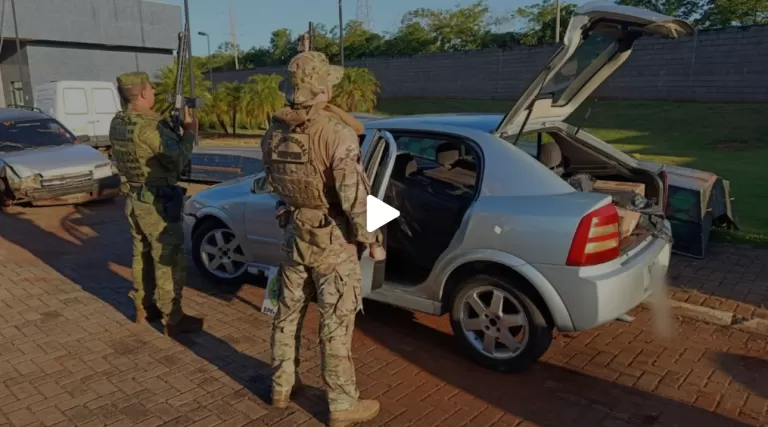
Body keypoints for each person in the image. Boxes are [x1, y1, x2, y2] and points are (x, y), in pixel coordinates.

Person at [262, 51, 386, 427]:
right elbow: (355, 197)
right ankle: (342, 404)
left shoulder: (274, 130)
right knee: (335, 322)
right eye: (328, 81)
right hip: (332, 240)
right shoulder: (336, 134)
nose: (333, 85)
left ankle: (281, 386)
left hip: (294, 234)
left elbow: (273, 184)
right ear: (320, 87)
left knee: (288, 313)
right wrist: (372, 240)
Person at [108, 71, 204, 337]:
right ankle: (172, 318)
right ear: (142, 93)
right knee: (167, 260)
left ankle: (143, 308)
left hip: (134, 199)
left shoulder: (119, 122)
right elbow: (176, 160)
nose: (153, 93)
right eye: (151, 89)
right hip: (156, 203)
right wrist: (188, 134)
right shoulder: (149, 127)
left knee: (141, 256)